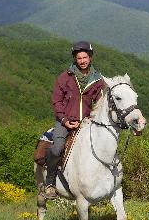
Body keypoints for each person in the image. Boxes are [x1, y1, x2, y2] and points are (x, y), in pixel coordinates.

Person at [42, 41, 105, 199]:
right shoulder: (65, 77)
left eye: (85, 57)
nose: (82, 61)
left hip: (86, 123)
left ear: (90, 58)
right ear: (75, 59)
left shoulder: (97, 80)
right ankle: (50, 183)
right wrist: (64, 120)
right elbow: (56, 100)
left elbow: (99, 102)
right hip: (65, 121)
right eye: (79, 58)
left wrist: (92, 119)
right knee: (57, 148)